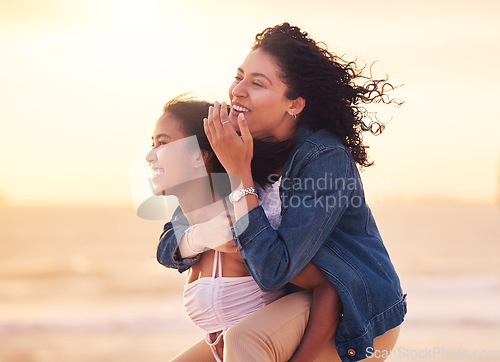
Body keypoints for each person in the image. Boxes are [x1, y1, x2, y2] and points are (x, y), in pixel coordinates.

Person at [158, 23, 407, 361]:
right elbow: (172, 237)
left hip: (354, 311)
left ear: (295, 104)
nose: (238, 91)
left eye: (257, 83)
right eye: (240, 76)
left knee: (245, 340)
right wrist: (207, 235)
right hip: (293, 304)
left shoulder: (324, 158)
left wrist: (238, 171)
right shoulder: (243, 140)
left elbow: (275, 270)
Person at [147, 96, 343, 362]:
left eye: (163, 143)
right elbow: (165, 247)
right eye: (152, 144)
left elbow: (326, 289)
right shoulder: (194, 223)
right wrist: (200, 237)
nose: (150, 156)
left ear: (198, 156)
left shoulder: (240, 226)